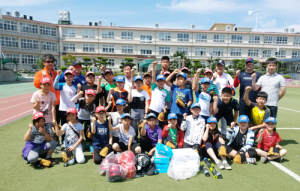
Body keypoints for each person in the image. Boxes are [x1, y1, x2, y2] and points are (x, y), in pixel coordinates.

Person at [31, 77, 57, 146]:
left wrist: (54, 119)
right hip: (38, 119)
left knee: (51, 134)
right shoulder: (36, 94)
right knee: (37, 134)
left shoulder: (52, 95)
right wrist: (38, 103)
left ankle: (51, 149)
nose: (46, 87)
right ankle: (37, 147)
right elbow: (34, 107)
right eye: (44, 85)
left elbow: (53, 107)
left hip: (48, 119)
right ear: (40, 85)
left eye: (48, 85)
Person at [33, 54, 60, 123]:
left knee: (55, 122)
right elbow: (36, 84)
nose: (51, 63)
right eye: (48, 61)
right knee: (43, 122)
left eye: (52, 61)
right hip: (45, 102)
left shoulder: (55, 73)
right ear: (44, 62)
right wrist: (43, 77)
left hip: (56, 102)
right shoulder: (40, 73)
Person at [70, 89, 98, 153]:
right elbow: (72, 100)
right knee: (77, 130)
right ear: (85, 95)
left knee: (88, 132)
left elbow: (92, 115)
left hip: (88, 118)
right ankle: (78, 142)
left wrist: (91, 125)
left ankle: (89, 143)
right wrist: (78, 95)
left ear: (94, 97)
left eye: (91, 96)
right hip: (80, 117)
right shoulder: (81, 100)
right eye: (88, 96)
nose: (89, 98)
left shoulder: (93, 105)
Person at [213, 59, 234, 136]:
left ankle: (223, 134)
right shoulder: (212, 75)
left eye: (221, 66)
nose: (219, 67)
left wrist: (230, 88)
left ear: (224, 67)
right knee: (214, 116)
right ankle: (214, 132)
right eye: (218, 65)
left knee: (224, 118)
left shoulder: (227, 76)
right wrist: (212, 78)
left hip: (224, 99)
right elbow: (207, 85)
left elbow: (232, 86)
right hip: (215, 99)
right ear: (216, 66)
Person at [149, 62, 170, 127]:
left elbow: (166, 102)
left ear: (164, 82)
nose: (161, 82)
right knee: (152, 124)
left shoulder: (166, 91)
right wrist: (154, 67)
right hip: (153, 110)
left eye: (162, 81)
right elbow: (153, 78)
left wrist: (165, 107)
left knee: (161, 125)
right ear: (157, 82)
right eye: (159, 81)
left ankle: (160, 137)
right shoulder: (154, 88)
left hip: (161, 111)